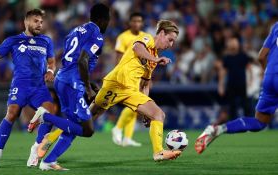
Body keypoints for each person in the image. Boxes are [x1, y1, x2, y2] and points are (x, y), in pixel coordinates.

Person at [30, 19, 181, 163]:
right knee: (86, 122)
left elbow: (145, 85)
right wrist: (155, 60)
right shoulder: (147, 39)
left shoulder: (154, 57)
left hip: (130, 91)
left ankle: (158, 152)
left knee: (157, 114)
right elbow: (137, 48)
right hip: (116, 84)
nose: (171, 44)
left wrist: (144, 113)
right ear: (161, 33)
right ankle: (50, 133)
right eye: (170, 39)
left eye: (173, 41)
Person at [28, 3, 110, 170]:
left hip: (62, 78)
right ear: (103, 20)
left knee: (72, 126)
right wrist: (87, 87)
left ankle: (48, 161)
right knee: (87, 130)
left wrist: (89, 83)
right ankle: (45, 116)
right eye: (108, 20)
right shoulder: (97, 35)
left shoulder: (76, 30)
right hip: (73, 83)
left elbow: (72, 59)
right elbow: (82, 60)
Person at [0, 9, 56, 167]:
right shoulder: (14, 40)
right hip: (20, 85)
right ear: (26, 22)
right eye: (36, 21)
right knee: (11, 114)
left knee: (50, 113)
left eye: (41, 22)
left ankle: (36, 149)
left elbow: (51, 61)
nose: (39, 24)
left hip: (39, 86)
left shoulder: (46, 40)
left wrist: (51, 71)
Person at [195, 22, 278, 154]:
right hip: (238, 86)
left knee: (260, 122)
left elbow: (261, 56)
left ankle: (218, 129)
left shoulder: (276, 26)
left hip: (269, 78)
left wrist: (269, 74)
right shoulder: (229, 57)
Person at [111, 12, 145, 147]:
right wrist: (119, 74)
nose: (137, 23)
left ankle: (127, 138)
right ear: (129, 22)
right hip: (126, 74)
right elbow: (118, 57)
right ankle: (118, 128)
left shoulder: (145, 37)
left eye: (139, 21)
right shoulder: (123, 37)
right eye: (135, 21)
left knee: (135, 107)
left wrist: (147, 77)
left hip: (138, 75)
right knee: (134, 104)